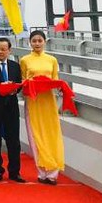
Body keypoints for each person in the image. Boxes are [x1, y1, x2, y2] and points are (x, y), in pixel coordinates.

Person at [20, 29, 64, 185]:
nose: (37, 43)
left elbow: (55, 80)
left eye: (40, 40)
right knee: (35, 134)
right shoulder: (24, 60)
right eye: (34, 41)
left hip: (48, 100)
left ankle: (53, 173)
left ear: (45, 42)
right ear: (30, 43)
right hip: (33, 101)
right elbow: (23, 81)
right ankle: (42, 171)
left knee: (51, 133)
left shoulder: (52, 60)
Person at [0, 37, 25, 183]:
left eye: (3, 49)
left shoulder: (15, 66)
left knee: (13, 140)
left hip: (11, 106)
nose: (0, 52)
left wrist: (13, 88)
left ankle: (15, 171)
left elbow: (19, 84)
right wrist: (0, 87)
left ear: (9, 50)